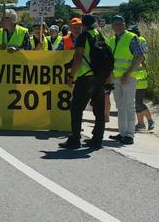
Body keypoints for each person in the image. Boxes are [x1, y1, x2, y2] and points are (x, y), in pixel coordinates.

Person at [59, 14, 107, 150]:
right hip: (99, 78)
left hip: (86, 78)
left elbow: (78, 57)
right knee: (99, 111)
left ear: (84, 25)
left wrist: (71, 75)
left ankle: (75, 140)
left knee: (76, 109)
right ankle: (97, 140)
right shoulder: (99, 35)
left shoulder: (84, 36)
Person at [107, 15, 145, 145]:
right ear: (112, 26)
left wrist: (128, 74)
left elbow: (140, 56)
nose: (117, 25)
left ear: (124, 24)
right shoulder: (112, 40)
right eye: (115, 23)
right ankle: (122, 133)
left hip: (128, 78)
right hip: (116, 78)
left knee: (129, 106)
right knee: (120, 106)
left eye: (120, 23)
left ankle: (129, 135)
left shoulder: (131, 38)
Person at [129, 25, 155, 131]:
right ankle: (140, 124)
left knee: (138, 102)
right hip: (138, 76)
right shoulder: (141, 40)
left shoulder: (136, 41)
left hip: (139, 77)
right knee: (136, 102)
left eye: (131, 32)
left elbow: (139, 58)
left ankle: (150, 120)